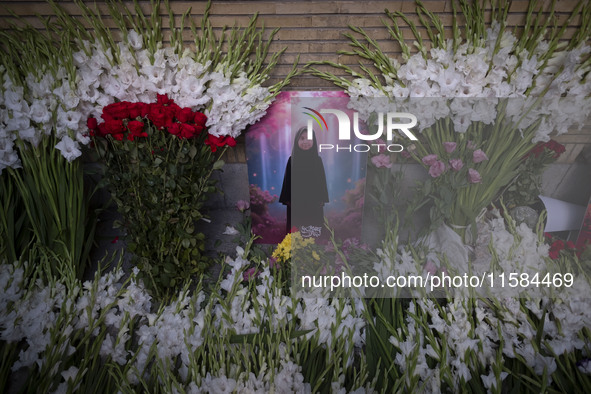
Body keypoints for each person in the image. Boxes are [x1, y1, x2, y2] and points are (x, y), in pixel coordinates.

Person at [279, 126, 329, 238]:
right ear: (297, 141)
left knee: (313, 229)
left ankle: (314, 250)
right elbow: (287, 181)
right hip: (296, 202)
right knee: (296, 230)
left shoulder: (317, 160)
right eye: (302, 138)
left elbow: (322, 181)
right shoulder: (292, 160)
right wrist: (287, 199)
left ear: (314, 141)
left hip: (314, 202)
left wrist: (322, 199)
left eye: (309, 139)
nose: (305, 141)